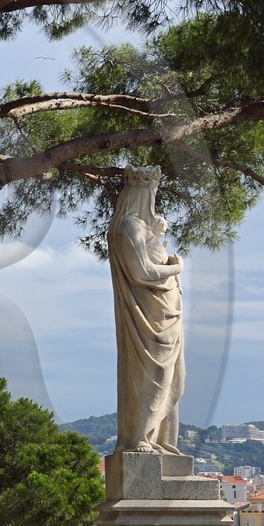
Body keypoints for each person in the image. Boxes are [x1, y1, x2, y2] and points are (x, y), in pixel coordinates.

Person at [107, 165, 185, 454]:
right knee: (149, 375)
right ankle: (140, 436)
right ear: (140, 193)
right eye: (149, 192)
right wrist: (177, 266)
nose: (152, 199)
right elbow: (141, 272)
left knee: (171, 376)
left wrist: (158, 239)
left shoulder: (141, 227)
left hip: (165, 313)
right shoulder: (128, 226)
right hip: (146, 319)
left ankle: (161, 439)